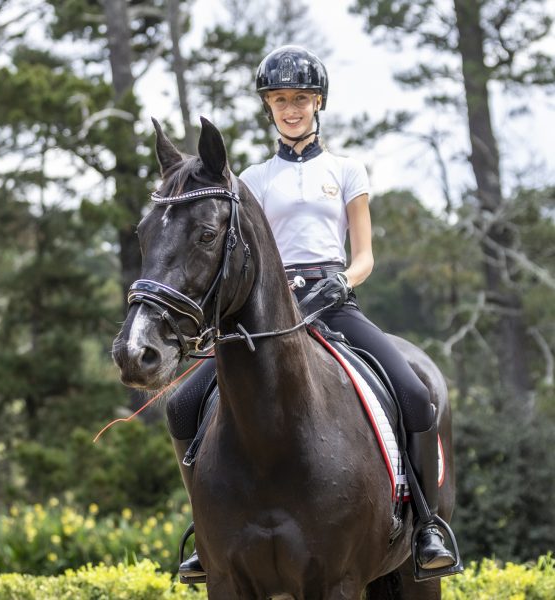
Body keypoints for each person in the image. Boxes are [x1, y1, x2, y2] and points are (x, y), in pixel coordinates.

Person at [177, 45, 459, 583]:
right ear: (268, 107)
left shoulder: (346, 169)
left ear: (318, 102)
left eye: (300, 99)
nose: (290, 109)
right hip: (269, 311)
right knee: (184, 405)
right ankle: (206, 533)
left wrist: (341, 280)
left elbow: (365, 256)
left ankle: (425, 525)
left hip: (334, 302)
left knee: (416, 392)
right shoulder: (252, 180)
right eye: (280, 99)